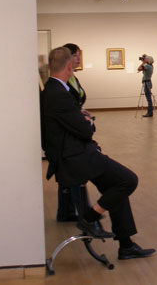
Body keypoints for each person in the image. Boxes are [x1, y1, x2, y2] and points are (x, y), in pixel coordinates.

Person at [41, 47, 156, 260]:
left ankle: (126, 245)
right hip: (75, 158)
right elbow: (85, 130)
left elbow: (72, 122)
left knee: (116, 186)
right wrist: (88, 121)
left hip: (76, 153)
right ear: (69, 67)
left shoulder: (52, 89)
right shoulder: (58, 94)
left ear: (50, 66)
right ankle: (89, 218)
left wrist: (81, 117)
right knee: (128, 180)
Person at [53, 43, 89, 222]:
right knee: (75, 173)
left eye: (79, 55)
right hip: (69, 134)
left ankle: (65, 212)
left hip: (74, 127)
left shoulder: (73, 78)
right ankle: (85, 216)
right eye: (75, 55)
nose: (78, 59)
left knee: (68, 175)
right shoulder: (60, 84)